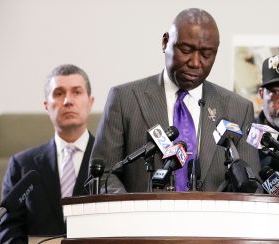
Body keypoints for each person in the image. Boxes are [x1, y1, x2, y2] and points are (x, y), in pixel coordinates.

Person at [91, 8, 260, 193]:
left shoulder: (238, 109)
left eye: (206, 54)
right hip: (143, 220)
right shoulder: (125, 99)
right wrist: (131, 212)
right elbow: (103, 176)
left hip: (213, 221)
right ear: (165, 42)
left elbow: (251, 188)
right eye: (186, 50)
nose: (195, 62)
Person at [0, 64, 95, 244]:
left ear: (90, 102)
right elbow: (7, 229)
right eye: (58, 93)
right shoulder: (22, 164)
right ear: (46, 105)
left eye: (76, 92)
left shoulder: (112, 158)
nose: (67, 101)